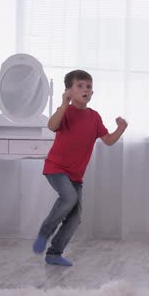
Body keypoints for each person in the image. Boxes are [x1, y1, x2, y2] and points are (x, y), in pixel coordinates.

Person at [32, 69, 128, 266]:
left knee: (75, 218)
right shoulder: (65, 112)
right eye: (80, 86)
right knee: (69, 197)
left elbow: (108, 140)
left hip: (76, 175)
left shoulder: (94, 117)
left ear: (92, 93)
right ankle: (45, 231)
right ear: (68, 91)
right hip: (56, 167)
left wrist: (121, 128)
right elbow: (51, 126)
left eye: (89, 87)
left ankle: (54, 253)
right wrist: (63, 104)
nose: (85, 90)